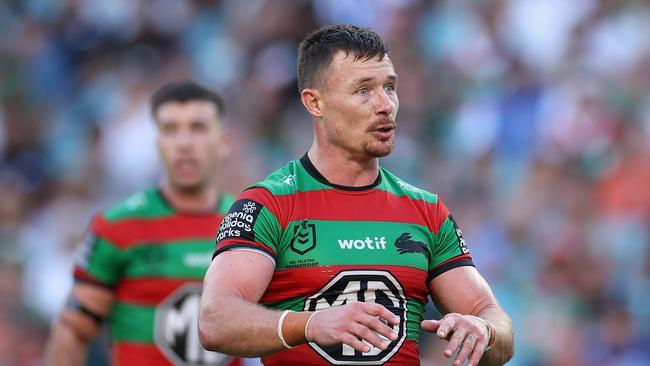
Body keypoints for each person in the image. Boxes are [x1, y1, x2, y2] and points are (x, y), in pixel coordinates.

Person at [199, 24, 514, 366]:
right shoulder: (269, 205)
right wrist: (310, 325)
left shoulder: (426, 211)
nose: (385, 105)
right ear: (315, 102)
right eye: (363, 90)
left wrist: (483, 329)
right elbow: (216, 321)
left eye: (389, 88)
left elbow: (496, 324)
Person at [45, 81, 243, 366]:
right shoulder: (118, 227)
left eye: (198, 128)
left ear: (224, 142)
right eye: (170, 130)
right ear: (157, 143)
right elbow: (72, 330)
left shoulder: (252, 226)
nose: (184, 143)